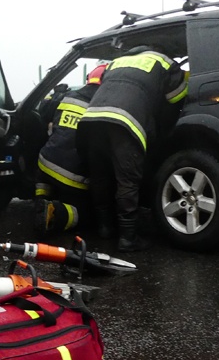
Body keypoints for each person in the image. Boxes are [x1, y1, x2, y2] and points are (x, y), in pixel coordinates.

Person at [76, 47, 188, 252]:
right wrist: (161, 132)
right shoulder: (166, 63)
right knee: (127, 179)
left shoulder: (118, 61)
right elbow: (176, 102)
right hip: (125, 120)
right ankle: (128, 238)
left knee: (100, 176)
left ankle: (105, 228)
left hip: (92, 118)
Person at [34, 64, 106, 235]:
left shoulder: (69, 96)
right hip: (72, 175)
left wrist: (56, 94)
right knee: (91, 217)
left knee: (46, 173)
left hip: (45, 162)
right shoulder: (103, 105)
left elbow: (43, 110)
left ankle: (41, 199)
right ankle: (54, 213)